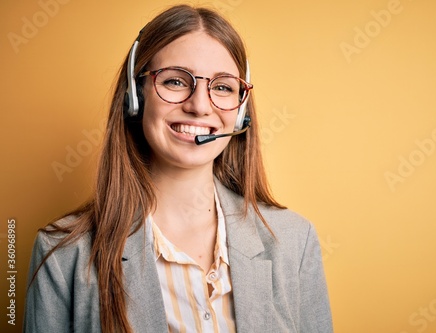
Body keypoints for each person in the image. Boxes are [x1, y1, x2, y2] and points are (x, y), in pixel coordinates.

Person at [23, 4, 333, 333]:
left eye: (223, 87)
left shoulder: (295, 241)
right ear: (135, 97)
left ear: (241, 111)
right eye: (175, 81)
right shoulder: (63, 254)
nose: (199, 105)